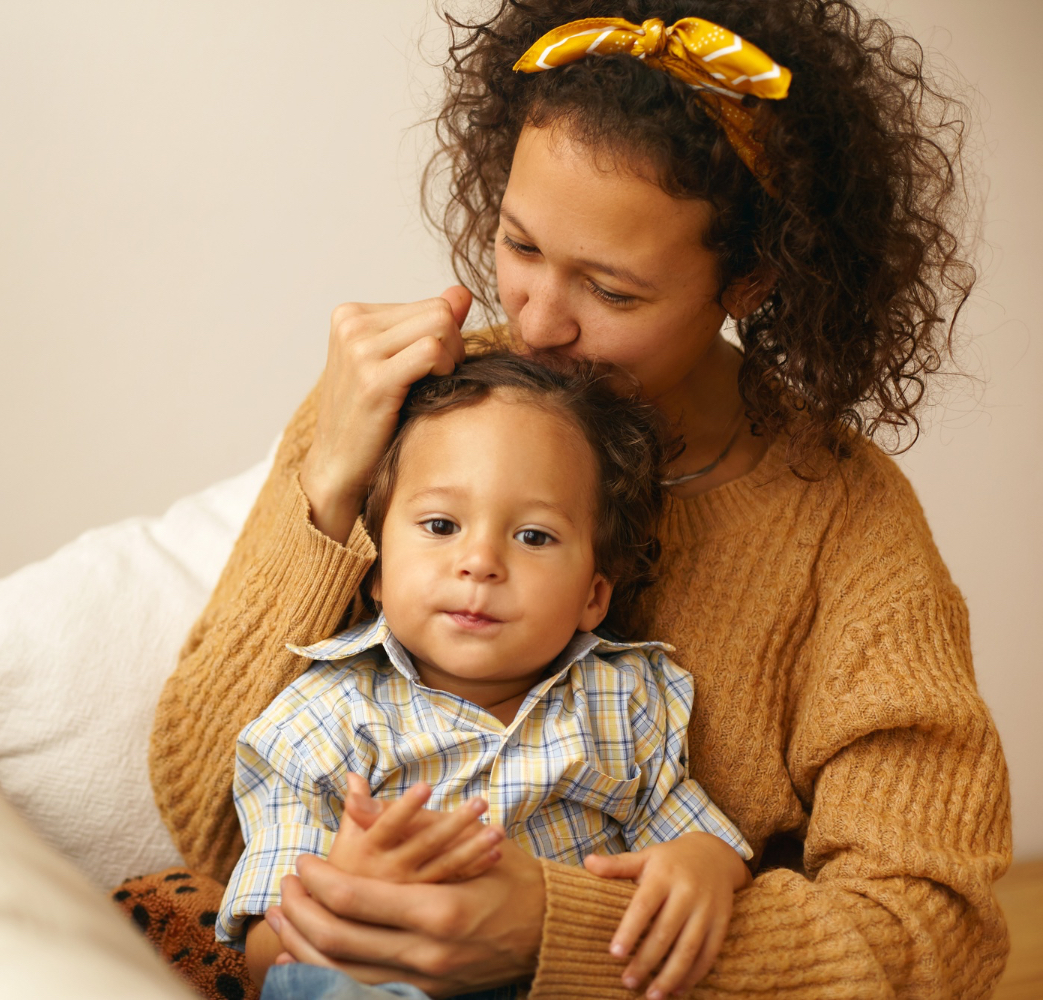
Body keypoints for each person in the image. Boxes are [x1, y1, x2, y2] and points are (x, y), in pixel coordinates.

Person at [128, 3, 1012, 998]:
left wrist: (568, 932)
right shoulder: (414, 407)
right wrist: (329, 485)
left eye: (613, 291)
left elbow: (939, 930)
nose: (538, 321)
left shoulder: (846, 527)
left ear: (751, 282)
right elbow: (205, 816)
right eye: (519, 246)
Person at [217, 353, 754, 1000]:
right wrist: (342, 893)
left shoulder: (626, 699)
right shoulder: (320, 721)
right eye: (441, 526)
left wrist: (703, 865)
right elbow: (265, 959)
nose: (480, 562)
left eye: (533, 536)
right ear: (378, 571)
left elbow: (692, 840)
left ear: (593, 594)